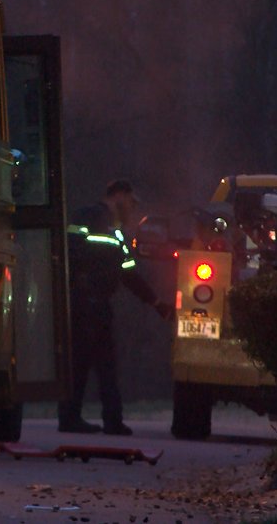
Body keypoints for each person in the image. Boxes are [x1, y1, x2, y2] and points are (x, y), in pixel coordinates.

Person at [58, 179, 172, 436]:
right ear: (119, 196)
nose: (132, 209)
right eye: (131, 202)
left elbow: (128, 274)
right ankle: (70, 418)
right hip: (82, 301)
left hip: (100, 305)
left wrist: (156, 303)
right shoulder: (87, 216)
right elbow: (69, 252)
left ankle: (112, 421)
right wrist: (80, 284)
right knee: (80, 363)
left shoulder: (117, 233)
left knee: (107, 364)